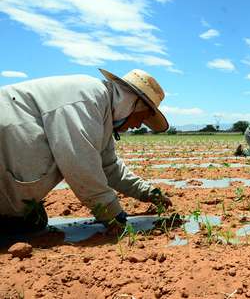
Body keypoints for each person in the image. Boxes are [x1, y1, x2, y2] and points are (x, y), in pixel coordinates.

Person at [0, 69, 173, 234]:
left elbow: (110, 166)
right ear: (133, 104)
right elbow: (79, 163)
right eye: (142, 117)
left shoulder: (102, 111)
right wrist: (112, 214)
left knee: (33, 221)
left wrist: (149, 193)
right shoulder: (86, 99)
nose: (137, 125)